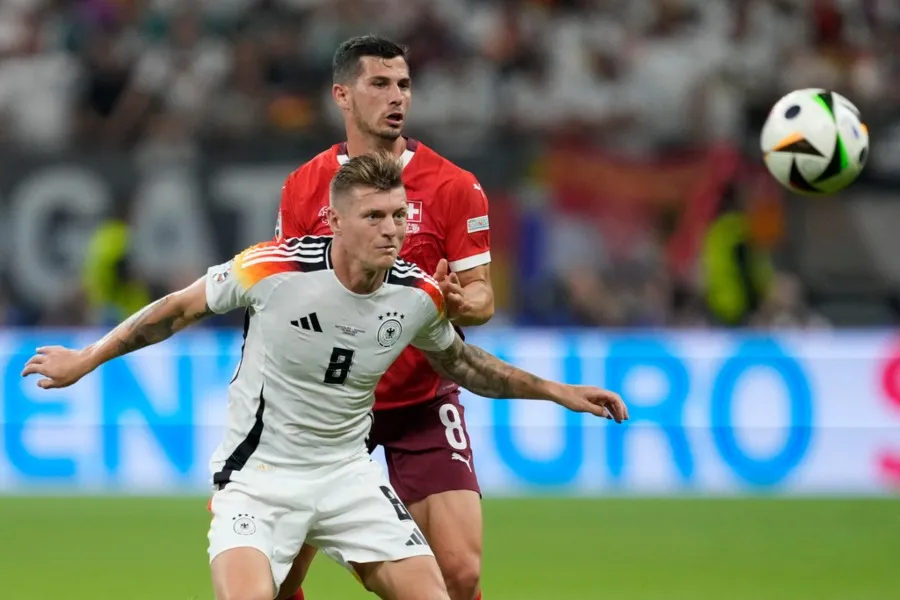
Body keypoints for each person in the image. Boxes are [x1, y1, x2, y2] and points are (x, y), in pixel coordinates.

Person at [21, 153, 628, 600]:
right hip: (257, 480)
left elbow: (465, 365)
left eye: (399, 215)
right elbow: (175, 309)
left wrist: (557, 391)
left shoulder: (416, 295)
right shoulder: (272, 269)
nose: (393, 229)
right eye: (375, 216)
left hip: (347, 477)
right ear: (335, 223)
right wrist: (85, 359)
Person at [277, 35, 496, 600]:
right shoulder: (304, 187)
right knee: (274, 581)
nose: (397, 95)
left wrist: (452, 300)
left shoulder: (454, 185)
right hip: (326, 407)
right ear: (342, 96)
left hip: (420, 401)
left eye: (403, 84)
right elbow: (282, 295)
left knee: (461, 574)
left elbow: (483, 301)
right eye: (380, 83)